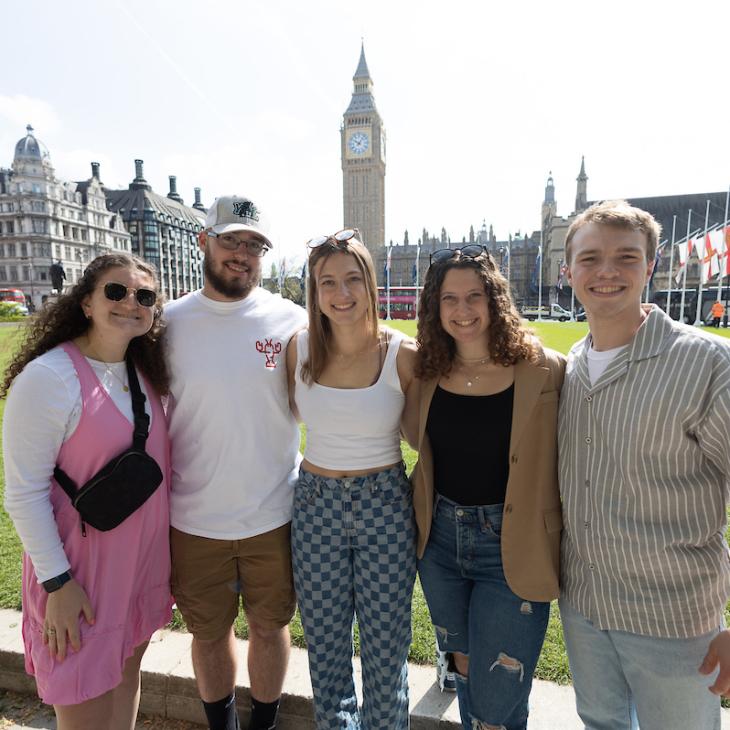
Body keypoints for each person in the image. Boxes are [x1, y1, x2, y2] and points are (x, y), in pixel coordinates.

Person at [558, 200, 730, 730]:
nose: (606, 272)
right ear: (568, 272)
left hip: (673, 621)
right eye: (590, 259)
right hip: (584, 608)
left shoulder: (704, 363)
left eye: (625, 257)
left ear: (651, 267)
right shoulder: (567, 370)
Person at [2, 253, 172, 730]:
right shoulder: (49, 377)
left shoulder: (144, 374)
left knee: (124, 682)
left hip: (136, 570)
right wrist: (58, 584)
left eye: (144, 297)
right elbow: (24, 493)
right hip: (80, 577)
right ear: (86, 303)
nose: (130, 304)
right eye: (115, 292)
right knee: (83, 697)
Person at [165, 195, 307, 730]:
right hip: (195, 517)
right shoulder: (169, 322)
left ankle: (263, 724)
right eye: (231, 240)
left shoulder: (290, 318)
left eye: (253, 245)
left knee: (271, 628)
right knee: (207, 633)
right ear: (205, 241)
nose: (242, 254)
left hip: (274, 513)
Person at [410, 244, 565, 730]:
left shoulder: (544, 368)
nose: (462, 310)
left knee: (498, 701)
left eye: (474, 296)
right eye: (450, 299)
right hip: (439, 542)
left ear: (494, 299)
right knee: (466, 671)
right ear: (435, 308)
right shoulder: (424, 371)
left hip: (511, 546)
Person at [286, 229, 418, 729]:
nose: (341, 295)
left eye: (352, 280)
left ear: (371, 284)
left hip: (383, 502)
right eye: (327, 283)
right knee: (324, 646)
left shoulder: (402, 354)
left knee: (387, 649)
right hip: (316, 505)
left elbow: (429, 438)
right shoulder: (298, 351)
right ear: (313, 291)